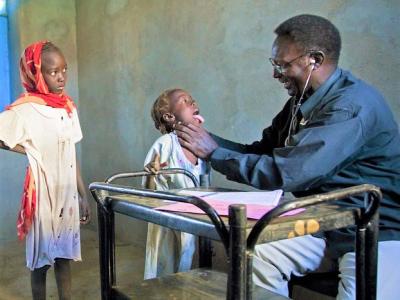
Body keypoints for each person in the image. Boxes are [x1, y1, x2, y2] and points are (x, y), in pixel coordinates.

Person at [175, 14, 400, 299]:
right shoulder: (302, 102)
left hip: (374, 231)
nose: (275, 74)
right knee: (257, 252)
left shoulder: (351, 107)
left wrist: (213, 152)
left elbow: (288, 172)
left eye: (282, 65)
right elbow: (262, 151)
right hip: (325, 224)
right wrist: (198, 138)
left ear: (314, 59)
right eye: (274, 64)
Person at [0, 40, 91, 300]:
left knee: (64, 257)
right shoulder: (26, 109)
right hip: (42, 197)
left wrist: (82, 194)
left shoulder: (68, 108)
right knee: (41, 262)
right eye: (53, 71)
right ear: (36, 73)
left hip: (67, 195)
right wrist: (30, 149)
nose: (61, 76)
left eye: (64, 69)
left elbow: (70, 157)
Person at [142, 88, 208, 279]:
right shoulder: (165, 145)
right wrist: (151, 174)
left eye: (193, 99)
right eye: (185, 101)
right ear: (170, 116)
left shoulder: (201, 145)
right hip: (167, 223)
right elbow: (148, 191)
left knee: (188, 266)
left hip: (193, 218)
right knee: (164, 268)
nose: (193, 103)